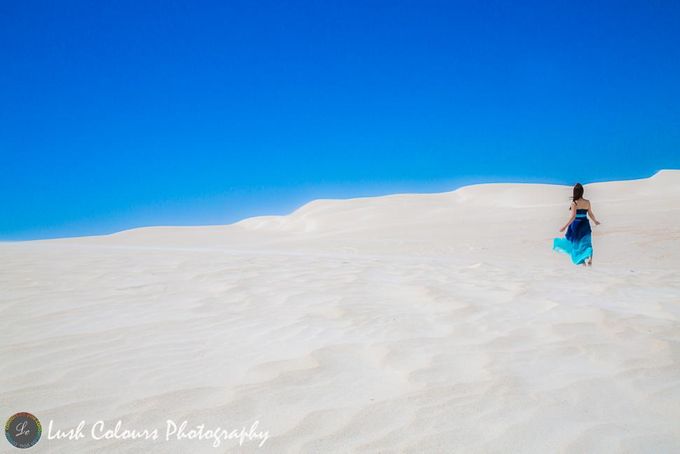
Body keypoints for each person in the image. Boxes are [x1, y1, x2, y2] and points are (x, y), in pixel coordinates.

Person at [553, 183, 601, 266]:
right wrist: (595, 221)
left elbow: (573, 217)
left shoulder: (574, 203)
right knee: (587, 242)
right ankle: (590, 259)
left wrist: (564, 226)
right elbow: (590, 213)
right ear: (582, 191)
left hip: (576, 225)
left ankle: (582, 263)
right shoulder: (587, 202)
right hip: (585, 224)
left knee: (576, 244)